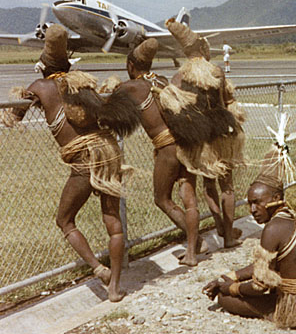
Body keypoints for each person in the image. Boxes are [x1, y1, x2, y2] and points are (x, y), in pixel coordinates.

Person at [0, 24, 141, 302]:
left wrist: (27, 98)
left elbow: (14, 117)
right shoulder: (82, 82)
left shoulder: (39, 87)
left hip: (84, 159)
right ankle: (114, 288)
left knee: (64, 220)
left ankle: (98, 268)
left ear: (42, 65)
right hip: (109, 151)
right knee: (112, 221)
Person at [203, 145, 296, 328]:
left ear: (276, 197)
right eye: (250, 204)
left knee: (224, 299)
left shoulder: (273, 228)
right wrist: (230, 276)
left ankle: (276, 313)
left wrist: (230, 288)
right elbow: (267, 265)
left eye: (257, 203)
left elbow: (260, 286)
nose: (252, 210)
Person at [108, 38, 207, 266]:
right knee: (189, 201)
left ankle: (197, 243)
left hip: (167, 148)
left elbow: (111, 101)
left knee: (162, 199)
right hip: (186, 143)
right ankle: (193, 250)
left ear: (131, 65)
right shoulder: (160, 81)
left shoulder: (132, 86)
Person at [165, 19, 245, 248]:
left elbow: (175, 108)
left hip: (201, 136)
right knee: (227, 185)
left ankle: (221, 225)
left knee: (209, 185)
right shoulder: (217, 71)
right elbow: (225, 99)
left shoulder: (179, 77)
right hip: (223, 131)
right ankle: (228, 235)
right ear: (201, 49)